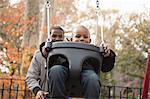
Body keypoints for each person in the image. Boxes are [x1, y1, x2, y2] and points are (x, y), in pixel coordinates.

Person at [71, 25, 116, 98]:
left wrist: (108, 55)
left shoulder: (93, 53)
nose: (82, 39)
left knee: (93, 78)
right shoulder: (65, 49)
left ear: (90, 41)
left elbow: (105, 68)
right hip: (67, 72)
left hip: (88, 75)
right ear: (71, 39)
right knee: (56, 70)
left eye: (85, 37)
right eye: (78, 36)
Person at [25, 26, 65, 99]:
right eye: (54, 36)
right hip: (44, 95)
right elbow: (31, 77)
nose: (57, 39)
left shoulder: (67, 55)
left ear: (63, 38)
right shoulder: (39, 55)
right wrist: (37, 91)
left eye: (60, 36)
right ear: (49, 37)